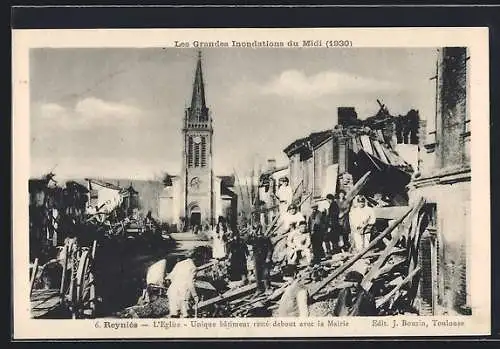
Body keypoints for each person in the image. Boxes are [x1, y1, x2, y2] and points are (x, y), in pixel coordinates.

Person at [248, 220, 273, 293]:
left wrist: (268, 257)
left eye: (259, 229)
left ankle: (267, 288)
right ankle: (259, 289)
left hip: (265, 258)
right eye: (256, 229)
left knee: (266, 273)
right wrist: (250, 234)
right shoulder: (253, 238)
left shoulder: (265, 238)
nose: (258, 231)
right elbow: (247, 241)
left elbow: (270, 249)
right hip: (257, 258)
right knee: (257, 274)